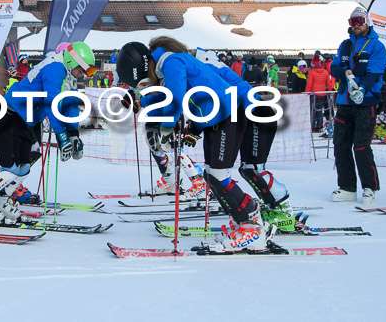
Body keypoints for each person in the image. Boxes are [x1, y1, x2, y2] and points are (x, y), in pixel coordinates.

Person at [117, 37, 293, 252]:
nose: (147, 86)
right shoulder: (166, 64)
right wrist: (139, 102)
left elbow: (175, 96)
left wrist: (165, 129)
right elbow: (162, 94)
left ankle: (251, 227)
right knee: (212, 175)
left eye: (145, 81)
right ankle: (245, 223)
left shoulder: (171, 62)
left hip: (228, 115)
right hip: (216, 118)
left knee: (219, 175)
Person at [0, 42, 93, 223]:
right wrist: (61, 134)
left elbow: (70, 104)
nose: (83, 74)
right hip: (7, 115)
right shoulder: (55, 68)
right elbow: (50, 102)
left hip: (22, 119)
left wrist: (74, 134)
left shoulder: (68, 75)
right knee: (10, 169)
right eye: (82, 70)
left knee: (23, 168)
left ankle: (0, 201)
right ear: (72, 61)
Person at [330, 6, 386, 204]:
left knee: (361, 146)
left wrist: (362, 89)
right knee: (340, 145)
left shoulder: (376, 46)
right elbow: (334, 67)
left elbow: (375, 72)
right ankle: (347, 187)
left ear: (367, 22)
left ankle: (370, 187)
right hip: (344, 101)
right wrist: (343, 72)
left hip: (366, 102)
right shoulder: (345, 45)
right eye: (353, 22)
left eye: (360, 21)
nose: (356, 25)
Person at [305, 53, 334, 131]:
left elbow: (309, 84)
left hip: (313, 94)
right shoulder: (325, 72)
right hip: (322, 94)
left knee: (313, 110)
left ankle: (312, 126)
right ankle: (319, 126)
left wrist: (306, 93)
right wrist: (329, 92)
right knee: (320, 110)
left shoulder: (311, 72)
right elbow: (329, 84)